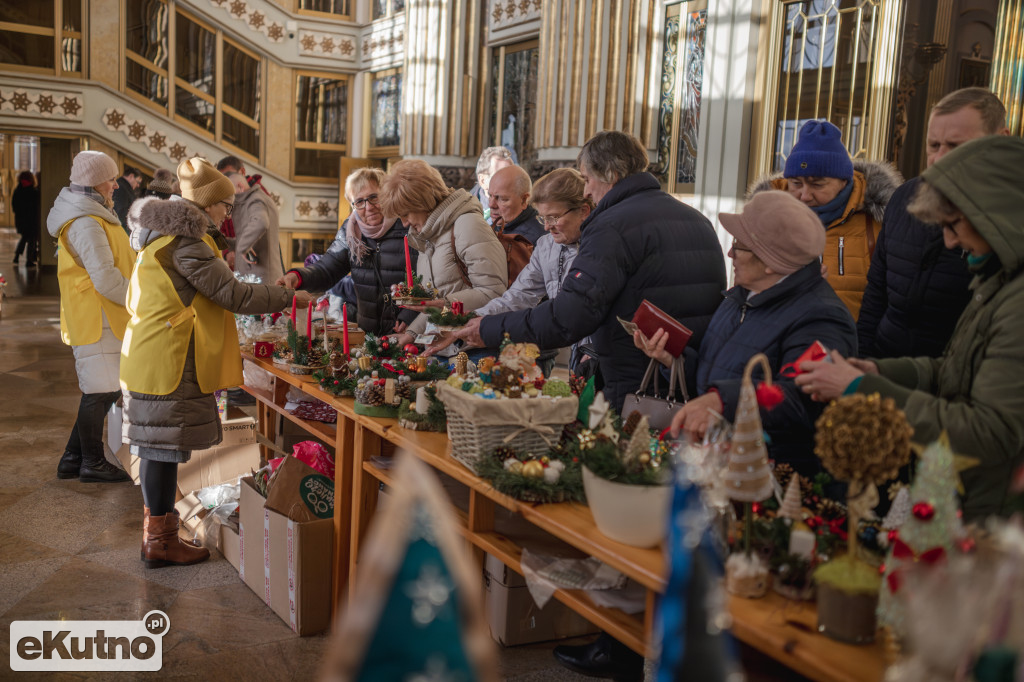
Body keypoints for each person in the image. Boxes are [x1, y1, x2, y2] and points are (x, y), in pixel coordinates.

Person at [796, 136, 1024, 522]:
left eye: (954, 225)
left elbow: (990, 432)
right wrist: (880, 371)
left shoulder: (1014, 300)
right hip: (959, 492)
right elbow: (954, 371)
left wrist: (862, 390)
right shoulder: (996, 281)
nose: (950, 241)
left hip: (990, 514)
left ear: (994, 215)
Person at [443, 130, 725, 411]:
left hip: (631, 376)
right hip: (690, 374)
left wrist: (488, 329)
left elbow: (570, 315)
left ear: (611, 174)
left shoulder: (613, 225)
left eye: (588, 179)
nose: (587, 191)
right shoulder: (699, 220)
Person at [121, 157, 296, 568]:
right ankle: (159, 542)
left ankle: (158, 535)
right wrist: (289, 297)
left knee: (157, 448)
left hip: (152, 351)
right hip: (169, 356)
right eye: (223, 205)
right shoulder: (188, 243)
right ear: (205, 205)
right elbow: (234, 296)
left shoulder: (158, 235)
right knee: (161, 451)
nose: (227, 213)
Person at [636, 191, 857, 476]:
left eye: (739, 245)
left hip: (768, 480)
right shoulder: (739, 298)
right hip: (716, 462)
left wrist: (721, 401)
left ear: (769, 261)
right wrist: (673, 361)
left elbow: (800, 399)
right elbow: (716, 376)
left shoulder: (821, 317)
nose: (730, 253)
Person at [857, 88, 1010, 358]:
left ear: (1000, 141)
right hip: (884, 367)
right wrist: (862, 360)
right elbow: (876, 292)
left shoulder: (1010, 221)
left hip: (957, 383)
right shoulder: (903, 198)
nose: (939, 158)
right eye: (934, 145)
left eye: (955, 146)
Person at [427, 168, 594, 372]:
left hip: (596, 348)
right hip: (575, 348)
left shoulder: (598, 247)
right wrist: (470, 321)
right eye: (544, 218)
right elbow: (518, 296)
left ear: (583, 212)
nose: (547, 227)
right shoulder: (545, 245)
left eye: (554, 217)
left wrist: (595, 348)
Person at [749, 120, 902, 319]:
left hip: (851, 346)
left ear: (844, 182)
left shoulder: (878, 222)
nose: (804, 195)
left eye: (817, 185)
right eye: (796, 183)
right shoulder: (764, 220)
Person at [46, 151, 134, 483]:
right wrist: (144, 300)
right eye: (110, 179)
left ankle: (73, 459)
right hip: (98, 316)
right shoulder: (85, 222)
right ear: (95, 181)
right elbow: (107, 279)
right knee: (100, 390)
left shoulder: (93, 213)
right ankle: (91, 463)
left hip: (104, 315)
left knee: (103, 389)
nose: (115, 184)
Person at [379, 159, 508, 349]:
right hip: (446, 349)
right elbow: (437, 303)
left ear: (422, 201)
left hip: (474, 350)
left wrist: (444, 304)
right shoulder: (428, 235)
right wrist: (412, 333)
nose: (405, 223)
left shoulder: (467, 225)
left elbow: (494, 293)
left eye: (406, 213)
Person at [278, 167, 419, 337]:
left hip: (408, 331)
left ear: (387, 194)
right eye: (359, 201)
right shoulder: (351, 231)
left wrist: (412, 315)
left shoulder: (408, 226)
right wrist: (298, 277)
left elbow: (430, 280)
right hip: (370, 335)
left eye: (374, 197)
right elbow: (327, 269)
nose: (368, 207)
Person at [228, 172, 284, 284]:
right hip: (258, 277)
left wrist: (243, 247)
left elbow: (261, 222)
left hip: (260, 278)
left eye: (229, 192)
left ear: (240, 186)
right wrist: (227, 242)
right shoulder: (253, 199)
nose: (229, 197)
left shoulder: (255, 200)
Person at [487, 165, 546, 244]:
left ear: (524, 200)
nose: (491, 205)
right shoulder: (492, 229)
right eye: (490, 196)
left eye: (502, 199)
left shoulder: (539, 240)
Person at [468, 146, 514, 224]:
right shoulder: (464, 211)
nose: (508, 181)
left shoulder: (520, 208)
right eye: (500, 176)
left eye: (511, 175)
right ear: (482, 180)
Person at [12, 170, 40, 266]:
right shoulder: (33, 191)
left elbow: (14, 206)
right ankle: (29, 260)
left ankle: (16, 257)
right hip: (31, 221)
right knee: (32, 240)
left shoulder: (17, 190)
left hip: (21, 220)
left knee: (24, 238)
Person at [112, 164, 142, 230]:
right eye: (138, 182)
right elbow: (120, 212)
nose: (138, 185)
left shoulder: (121, 186)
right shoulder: (122, 188)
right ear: (131, 176)